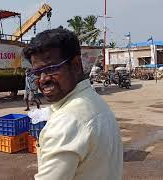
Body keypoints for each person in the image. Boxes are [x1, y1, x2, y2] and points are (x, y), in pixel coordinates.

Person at [23, 27, 123, 180]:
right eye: (37, 72)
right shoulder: (93, 101)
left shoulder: (67, 121)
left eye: (51, 68)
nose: (43, 79)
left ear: (76, 65)